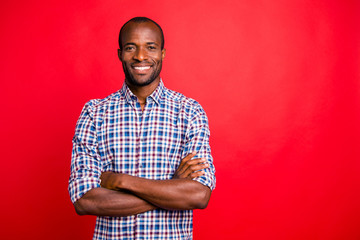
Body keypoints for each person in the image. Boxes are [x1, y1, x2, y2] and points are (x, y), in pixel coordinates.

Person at [68, 16, 216, 240]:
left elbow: (198, 195)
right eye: (130, 48)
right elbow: (85, 200)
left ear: (162, 53)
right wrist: (172, 189)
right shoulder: (94, 113)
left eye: (150, 47)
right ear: (120, 54)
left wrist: (120, 181)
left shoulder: (189, 112)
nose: (140, 56)